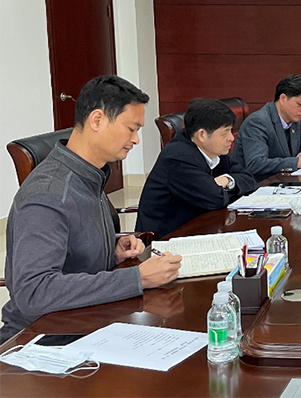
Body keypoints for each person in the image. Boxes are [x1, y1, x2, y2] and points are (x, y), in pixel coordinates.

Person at [1, 76, 181, 344]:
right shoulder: (47, 194)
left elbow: (71, 253)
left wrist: (111, 251)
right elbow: (34, 292)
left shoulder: (88, 176)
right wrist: (137, 278)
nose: (136, 140)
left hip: (87, 318)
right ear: (97, 120)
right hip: (42, 338)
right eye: (131, 129)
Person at [136, 99, 257, 239]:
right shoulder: (178, 158)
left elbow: (249, 179)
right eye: (225, 133)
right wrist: (220, 189)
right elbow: (215, 199)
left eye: (231, 131)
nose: (231, 138)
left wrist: (226, 181)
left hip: (200, 227)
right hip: (167, 238)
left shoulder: (214, 151)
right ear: (202, 135)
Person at [232, 74, 301, 182]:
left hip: (284, 184)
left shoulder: (295, 121)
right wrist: (298, 162)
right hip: (258, 186)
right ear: (283, 99)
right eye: (300, 104)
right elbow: (256, 164)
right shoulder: (258, 122)